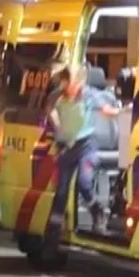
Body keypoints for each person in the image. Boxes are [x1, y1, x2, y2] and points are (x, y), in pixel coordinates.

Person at [41, 63, 122, 251]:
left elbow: (106, 110)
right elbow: (49, 109)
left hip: (87, 145)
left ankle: (98, 211)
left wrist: (121, 112)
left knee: (85, 183)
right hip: (67, 148)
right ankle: (53, 233)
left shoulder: (87, 95)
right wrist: (58, 126)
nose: (75, 85)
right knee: (61, 192)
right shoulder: (57, 97)